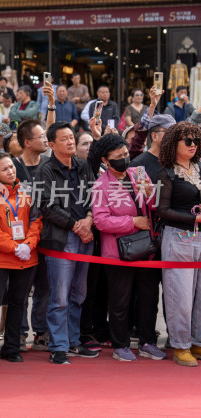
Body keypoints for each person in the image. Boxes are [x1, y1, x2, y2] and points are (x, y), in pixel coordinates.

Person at [87, 134, 165, 362]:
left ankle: (147, 341)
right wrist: (132, 223)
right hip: (118, 252)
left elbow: (154, 206)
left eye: (125, 154)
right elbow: (101, 221)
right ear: (106, 160)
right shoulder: (101, 185)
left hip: (146, 248)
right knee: (120, 300)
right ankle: (121, 344)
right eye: (118, 156)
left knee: (149, 298)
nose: (124, 159)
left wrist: (151, 194)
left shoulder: (138, 173)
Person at [37, 122, 98, 365]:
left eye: (72, 138)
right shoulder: (46, 170)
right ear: (51, 145)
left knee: (78, 294)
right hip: (63, 239)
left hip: (86, 235)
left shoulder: (83, 166)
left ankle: (73, 341)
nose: (71, 142)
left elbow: (96, 196)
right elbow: (48, 207)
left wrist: (90, 220)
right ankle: (58, 346)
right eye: (64, 139)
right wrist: (76, 226)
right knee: (59, 296)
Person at [0, 152, 43, 365]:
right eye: (4, 168)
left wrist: (28, 245)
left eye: (12, 167)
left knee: (18, 303)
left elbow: (36, 220)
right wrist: (14, 247)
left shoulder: (26, 190)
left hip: (26, 256)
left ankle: (12, 348)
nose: (11, 171)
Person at [157, 121, 201, 366]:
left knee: (200, 296)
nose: (193, 144)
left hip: (200, 237)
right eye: (188, 141)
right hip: (178, 238)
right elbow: (162, 211)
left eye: (196, 140)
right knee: (181, 296)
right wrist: (194, 217)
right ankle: (181, 345)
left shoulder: (200, 167)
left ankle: (197, 342)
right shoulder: (166, 173)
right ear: (175, 144)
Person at [12, 120, 50, 349]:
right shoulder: (13, 167)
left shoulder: (48, 165)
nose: (46, 140)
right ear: (27, 142)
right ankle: (18, 332)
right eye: (41, 136)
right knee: (21, 288)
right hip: (19, 238)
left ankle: (41, 331)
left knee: (44, 287)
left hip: (46, 234)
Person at [131, 114, 176, 182]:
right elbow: (139, 191)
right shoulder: (139, 166)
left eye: (175, 132)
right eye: (169, 132)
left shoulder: (178, 160)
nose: (173, 136)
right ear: (154, 136)